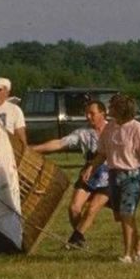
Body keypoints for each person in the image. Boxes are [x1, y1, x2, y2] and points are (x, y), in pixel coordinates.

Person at [82, 93, 140, 264]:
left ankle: (128, 254)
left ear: (121, 110)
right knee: (122, 216)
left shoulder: (138, 129)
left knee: (126, 213)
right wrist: (91, 168)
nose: (109, 110)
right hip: (114, 176)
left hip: (133, 176)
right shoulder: (110, 128)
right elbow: (102, 153)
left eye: (112, 107)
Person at [30, 99, 111, 249]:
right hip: (89, 176)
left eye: (92, 113)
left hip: (109, 177)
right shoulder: (83, 133)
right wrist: (34, 149)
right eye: (86, 113)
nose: (88, 117)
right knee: (74, 208)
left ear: (103, 113)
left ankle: (74, 240)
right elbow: (59, 143)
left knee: (92, 209)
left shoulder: (113, 131)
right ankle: (79, 240)